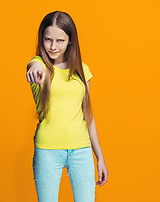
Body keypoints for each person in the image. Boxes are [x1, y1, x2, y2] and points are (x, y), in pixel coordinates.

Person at [26, 11, 108, 202]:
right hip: (47, 150)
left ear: (70, 41)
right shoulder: (39, 65)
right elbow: (33, 66)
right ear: (41, 39)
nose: (53, 46)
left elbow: (87, 116)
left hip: (81, 150)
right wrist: (33, 69)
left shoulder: (82, 70)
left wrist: (100, 157)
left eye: (60, 40)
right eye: (48, 39)